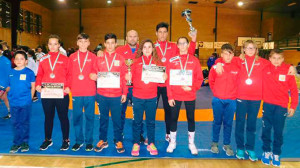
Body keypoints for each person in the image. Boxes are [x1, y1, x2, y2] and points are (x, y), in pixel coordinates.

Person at [154, 22, 197, 142]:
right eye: (160, 32)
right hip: (155, 84)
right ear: (156, 33)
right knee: (152, 110)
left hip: (170, 85)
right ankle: (150, 135)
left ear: (167, 33)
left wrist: (193, 40)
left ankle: (168, 133)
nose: (162, 34)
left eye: (164, 32)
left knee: (169, 111)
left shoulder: (173, 46)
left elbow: (188, 54)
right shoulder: (151, 46)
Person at [90, 33, 127, 154]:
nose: (110, 45)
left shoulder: (121, 59)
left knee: (117, 120)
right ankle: (103, 140)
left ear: (116, 44)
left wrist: (124, 93)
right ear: (104, 44)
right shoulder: (99, 58)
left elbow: (123, 78)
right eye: (108, 43)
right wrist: (92, 76)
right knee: (103, 119)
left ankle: (118, 140)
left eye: (112, 43)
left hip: (116, 95)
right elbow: (93, 73)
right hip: (102, 95)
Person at [166, 37, 203, 155]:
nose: (182, 45)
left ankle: (191, 143)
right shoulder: (172, 60)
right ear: (177, 45)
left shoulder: (194, 60)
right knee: (173, 118)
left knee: (191, 119)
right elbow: (168, 80)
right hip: (175, 95)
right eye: (180, 43)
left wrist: (192, 88)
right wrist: (170, 96)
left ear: (188, 45)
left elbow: (199, 78)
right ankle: (173, 142)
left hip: (190, 94)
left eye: (184, 43)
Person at [260, 49, 298, 167]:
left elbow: (294, 90)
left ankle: (276, 153)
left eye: (279, 58)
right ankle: (266, 151)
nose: (276, 61)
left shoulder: (288, 70)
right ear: (269, 59)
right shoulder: (264, 69)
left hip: (281, 106)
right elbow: (249, 59)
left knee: (278, 131)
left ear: (283, 59)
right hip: (267, 104)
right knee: (266, 129)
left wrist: (293, 106)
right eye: (274, 58)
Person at [36, 34, 72, 151]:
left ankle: (66, 140)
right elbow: (40, 74)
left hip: (62, 93)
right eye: (50, 44)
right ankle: (48, 139)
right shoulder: (43, 59)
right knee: (48, 117)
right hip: (47, 92)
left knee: (63, 117)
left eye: (55, 44)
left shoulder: (65, 59)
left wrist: (68, 87)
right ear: (47, 45)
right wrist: (37, 84)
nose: (52, 46)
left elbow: (70, 75)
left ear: (59, 45)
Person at [130, 39, 165, 156]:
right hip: (137, 97)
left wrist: (164, 77)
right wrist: (128, 76)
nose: (147, 49)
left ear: (153, 49)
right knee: (137, 122)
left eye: (149, 47)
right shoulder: (136, 62)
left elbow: (161, 83)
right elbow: (131, 80)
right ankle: (136, 143)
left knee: (151, 122)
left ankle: (151, 143)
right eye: (144, 47)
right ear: (141, 49)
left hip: (151, 97)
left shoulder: (157, 63)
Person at [115, 30, 146, 143]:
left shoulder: (143, 50)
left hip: (137, 87)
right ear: (126, 38)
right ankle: (119, 133)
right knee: (120, 112)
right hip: (123, 87)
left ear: (138, 38)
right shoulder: (119, 50)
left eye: (134, 36)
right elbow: (112, 62)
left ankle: (139, 134)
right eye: (130, 36)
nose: (132, 38)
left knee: (138, 113)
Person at [208, 44, 239, 156]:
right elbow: (211, 81)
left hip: (231, 100)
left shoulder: (237, 67)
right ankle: (214, 143)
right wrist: (217, 92)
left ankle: (227, 144)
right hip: (218, 100)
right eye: (225, 53)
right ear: (221, 54)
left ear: (233, 55)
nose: (228, 56)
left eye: (230, 53)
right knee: (217, 122)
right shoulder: (216, 67)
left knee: (228, 123)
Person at [69, 33, 97, 152]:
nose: (83, 44)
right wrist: (69, 87)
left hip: (90, 92)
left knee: (90, 117)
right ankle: (79, 141)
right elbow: (69, 74)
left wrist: (95, 76)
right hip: (76, 92)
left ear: (89, 43)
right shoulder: (72, 57)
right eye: (81, 41)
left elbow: (96, 71)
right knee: (77, 117)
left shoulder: (93, 57)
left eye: (85, 41)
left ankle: (89, 142)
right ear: (77, 43)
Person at [7, 51, 35, 153]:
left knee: (24, 122)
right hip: (13, 103)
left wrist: (29, 99)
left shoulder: (29, 72)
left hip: (25, 103)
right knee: (15, 123)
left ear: (26, 61)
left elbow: (33, 87)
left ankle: (24, 142)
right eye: (17, 58)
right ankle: (16, 142)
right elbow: (8, 87)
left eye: (21, 59)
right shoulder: (10, 72)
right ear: (13, 60)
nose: (19, 60)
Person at [0, 44, 11, 119]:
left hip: (2, 85)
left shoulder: (5, 61)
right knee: (4, 98)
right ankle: (11, 112)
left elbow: (8, 73)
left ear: (0, 50)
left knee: (4, 97)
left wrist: (7, 85)